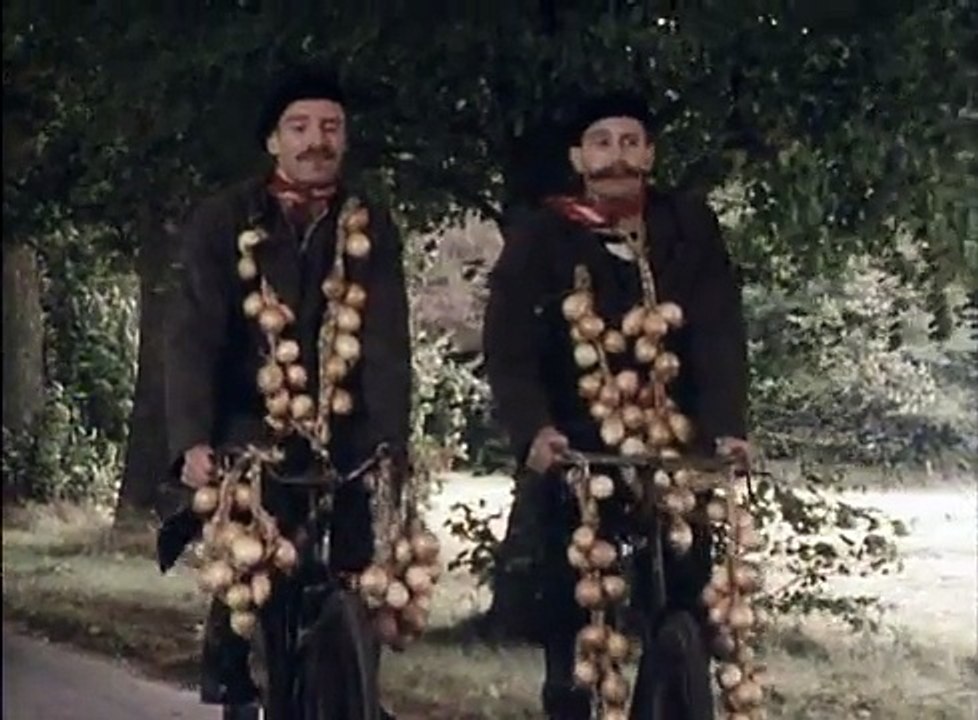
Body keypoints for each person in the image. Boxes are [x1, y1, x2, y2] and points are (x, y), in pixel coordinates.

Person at [482, 91, 750, 719]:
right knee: (575, 610)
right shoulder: (541, 236)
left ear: (650, 155)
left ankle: (675, 680)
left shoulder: (688, 226)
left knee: (687, 592)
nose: (617, 156)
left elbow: (718, 331)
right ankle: (570, 696)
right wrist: (535, 430)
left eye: (630, 142)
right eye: (601, 143)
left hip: (676, 445)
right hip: (577, 446)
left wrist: (726, 427)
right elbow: (510, 347)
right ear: (579, 158)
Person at [156, 65, 411, 720]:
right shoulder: (224, 220)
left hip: (346, 430)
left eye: (330, 127)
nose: (315, 141)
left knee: (361, 578)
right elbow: (193, 336)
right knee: (251, 578)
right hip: (251, 428)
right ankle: (239, 679)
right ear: (274, 141)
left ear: (345, 139)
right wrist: (193, 441)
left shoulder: (369, 224)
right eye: (299, 127)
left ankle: (353, 691)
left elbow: (385, 341)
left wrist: (391, 443)